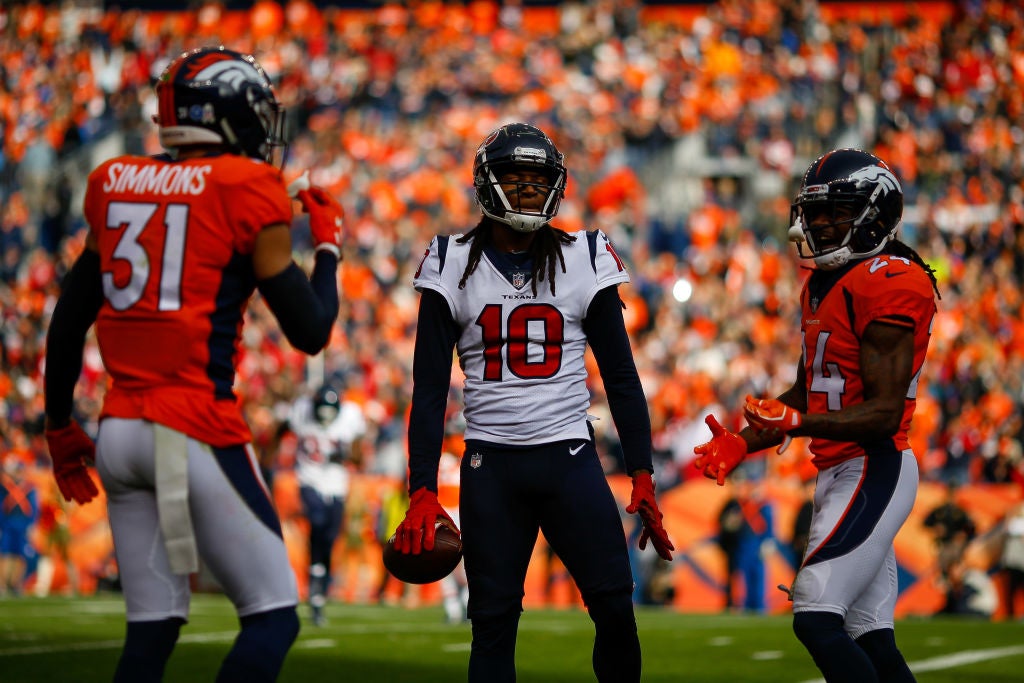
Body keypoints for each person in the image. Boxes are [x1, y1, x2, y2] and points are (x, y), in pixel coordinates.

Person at [42, 46, 344, 683]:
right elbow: (311, 331)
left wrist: (57, 424)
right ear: (230, 114)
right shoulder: (247, 187)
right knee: (273, 617)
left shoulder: (114, 181)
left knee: (150, 634)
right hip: (190, 425)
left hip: (118, 430)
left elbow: (68, 318)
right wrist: (328, 250)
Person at [393, 122, 674, 683]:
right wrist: (421, 487)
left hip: (568, 457)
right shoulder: (450, 260)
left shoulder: (584, 253)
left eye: (537, 179)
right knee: (492, 625)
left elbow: (621, 375)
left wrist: (641, 471)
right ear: (486, 185)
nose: (527, 190)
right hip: (489, 465)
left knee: (617, 609)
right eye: (515, 179)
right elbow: (428, 390)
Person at [693, 149, 940, 683]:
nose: (820, 224)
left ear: (877, 213)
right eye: (816, 212)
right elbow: (810, 391)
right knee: (868, 634)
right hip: (840, 468)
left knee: (814, 610)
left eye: (837, 211)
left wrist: (796, 424)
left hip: (875, 463)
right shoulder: (826, 281)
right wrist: (743, 440)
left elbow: (881, 413)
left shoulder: (891, 279)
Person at [285, 383, 367, 626]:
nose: (325, 417)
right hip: (308, 480)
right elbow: (282, 429)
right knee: (317, 524)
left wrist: (344, 456)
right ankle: (315, 584)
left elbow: (358, 457)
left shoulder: (350, 417)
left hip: (336, 486)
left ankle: (319, 587)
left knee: (329, 539)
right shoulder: (301, 411)